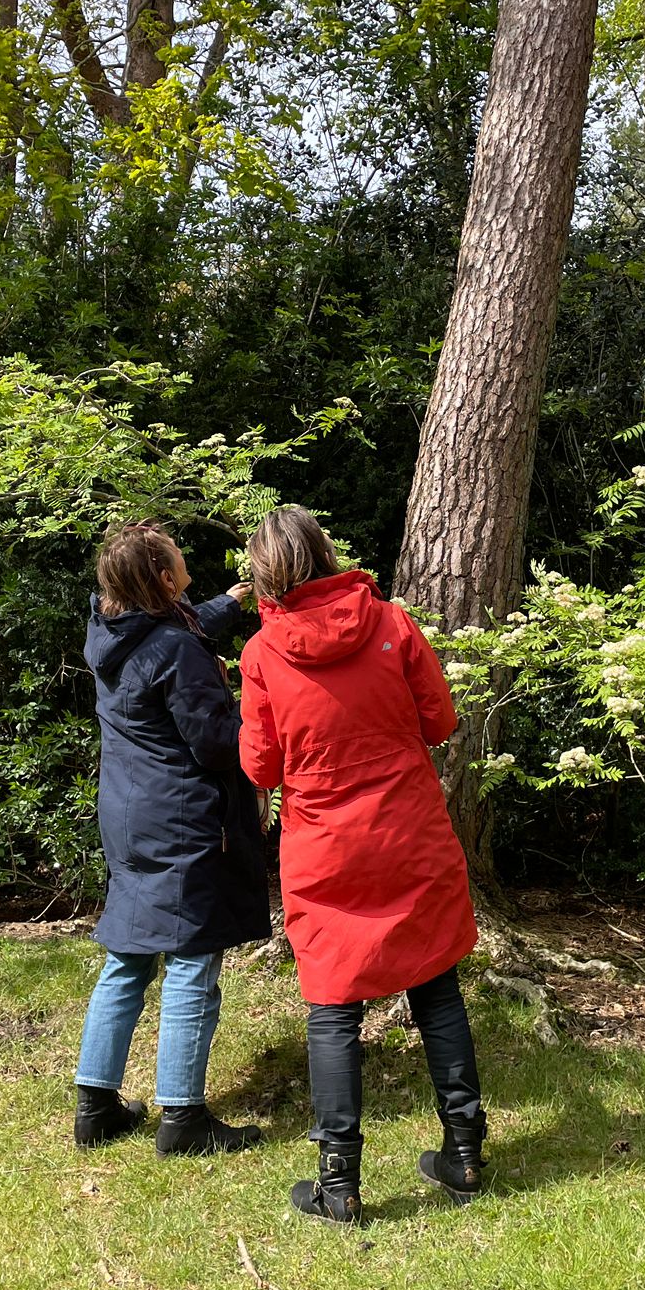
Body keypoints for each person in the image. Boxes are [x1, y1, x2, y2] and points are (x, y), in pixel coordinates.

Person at [237, 506, 488, 1225]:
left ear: (265, 572)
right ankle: (464, 1154)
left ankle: (339, 1183)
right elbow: (440, 720)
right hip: (409, 831)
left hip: (325, 847)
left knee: (333, 1009)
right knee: (435, 986)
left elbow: (260, 762)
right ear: (325, 550)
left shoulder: (262, 654)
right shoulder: (391, 623)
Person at [74, 521, 270, 1157]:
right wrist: (252, 709)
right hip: (184, 820)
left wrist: (233, 602)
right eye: (178, 561)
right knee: (193, 958)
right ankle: (183, 1118)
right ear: (163, 580)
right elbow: (214, 743)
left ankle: (96, 1106)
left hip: (130, 818)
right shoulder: (177, 650)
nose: (188, 563)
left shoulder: (109, 630)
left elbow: (179, 630)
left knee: (129, 956)